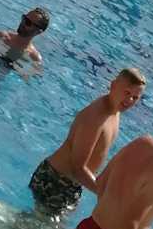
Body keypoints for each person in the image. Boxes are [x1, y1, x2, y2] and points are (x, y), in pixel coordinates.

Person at [29, 67, 146, 216]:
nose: (129, 100)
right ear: (113, 86)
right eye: (127, 93)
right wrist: (107, 196)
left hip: (72, 184)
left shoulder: (115, 111)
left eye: (135, 98)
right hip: (55, 180)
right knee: (36, 227)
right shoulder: (95, 117)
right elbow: (78, 168)